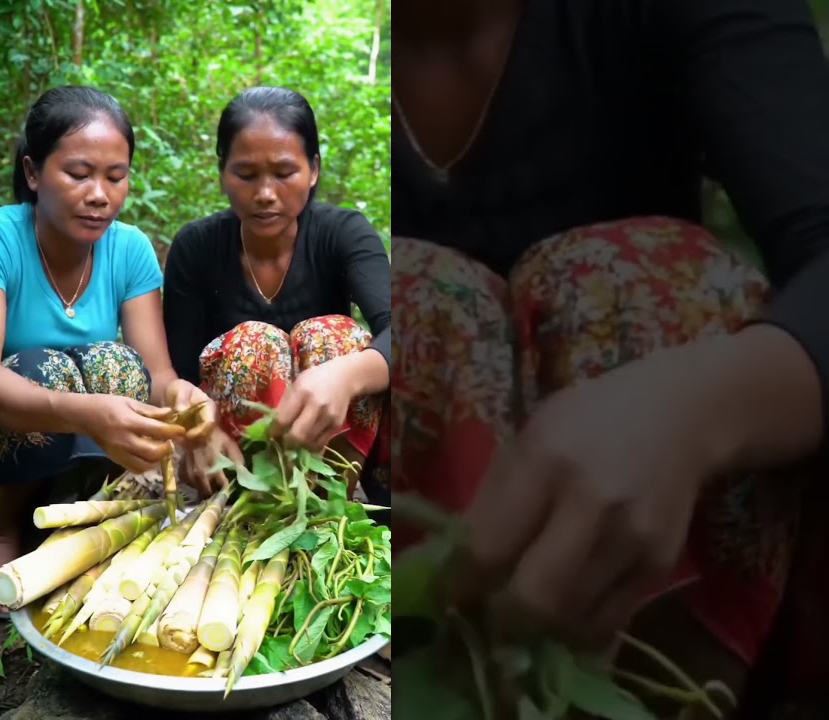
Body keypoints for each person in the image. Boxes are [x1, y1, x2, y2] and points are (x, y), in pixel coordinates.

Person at [389, 0, 829, 714]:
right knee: (405, 297)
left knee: (641, 275)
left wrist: (699, 410)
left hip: (670, 567)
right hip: (401, 584)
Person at [0, 86, 222, 617]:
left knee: (118, 364)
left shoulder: (129, 248)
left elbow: (158, 374)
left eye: (116, 177)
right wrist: (84, 412)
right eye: (79, 174)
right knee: (41, 368)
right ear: (32, 172)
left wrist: (185, 400)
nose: (100, 195)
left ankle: (77, 518)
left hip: (79, 445)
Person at [163, 87, 391, 505]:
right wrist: (196, 425)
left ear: (313, 170)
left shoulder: (343, 233)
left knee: (335, 337)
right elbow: (178, 376)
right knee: (253, 341)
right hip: (238, 463)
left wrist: (346, 374)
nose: (265, 193)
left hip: (332, 454)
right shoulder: (196, 248)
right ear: (222, 172)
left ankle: (329, 504)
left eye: (284, 173)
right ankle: (253, 503)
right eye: (246, 175)